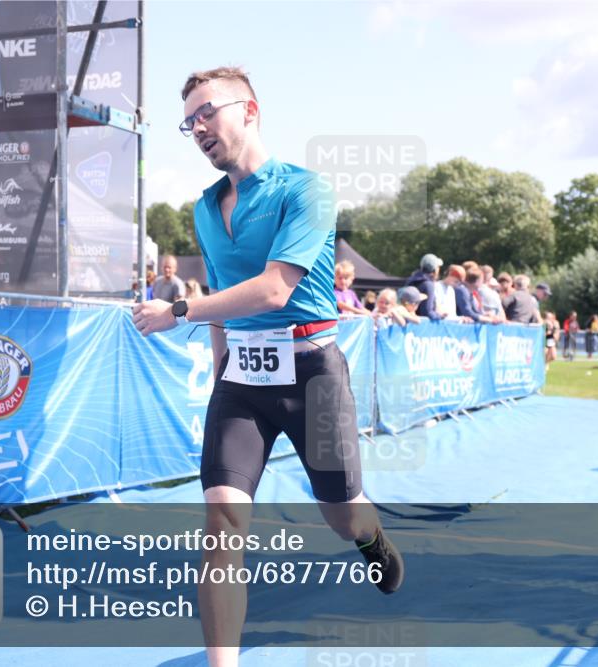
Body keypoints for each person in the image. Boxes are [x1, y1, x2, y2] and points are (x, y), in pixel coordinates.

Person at [130, 67, 403, 667]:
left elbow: (274, 290)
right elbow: (225, 300)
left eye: (207, 112)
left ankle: (370, 536)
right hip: (242, 386)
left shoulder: (305, 190)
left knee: (343, 515)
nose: (197, 127)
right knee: (222, 524)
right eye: (188, 121)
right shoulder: (205, 209)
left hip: (314, 375)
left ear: (249, 110)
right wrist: (221, 371)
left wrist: (178, 310)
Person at [404, 253, 444, 320]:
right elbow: (427, 312)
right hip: (419, 325)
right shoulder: (428, 285)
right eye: (438, 267)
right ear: (434, 269)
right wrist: (440, 317)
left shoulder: (410, 280)